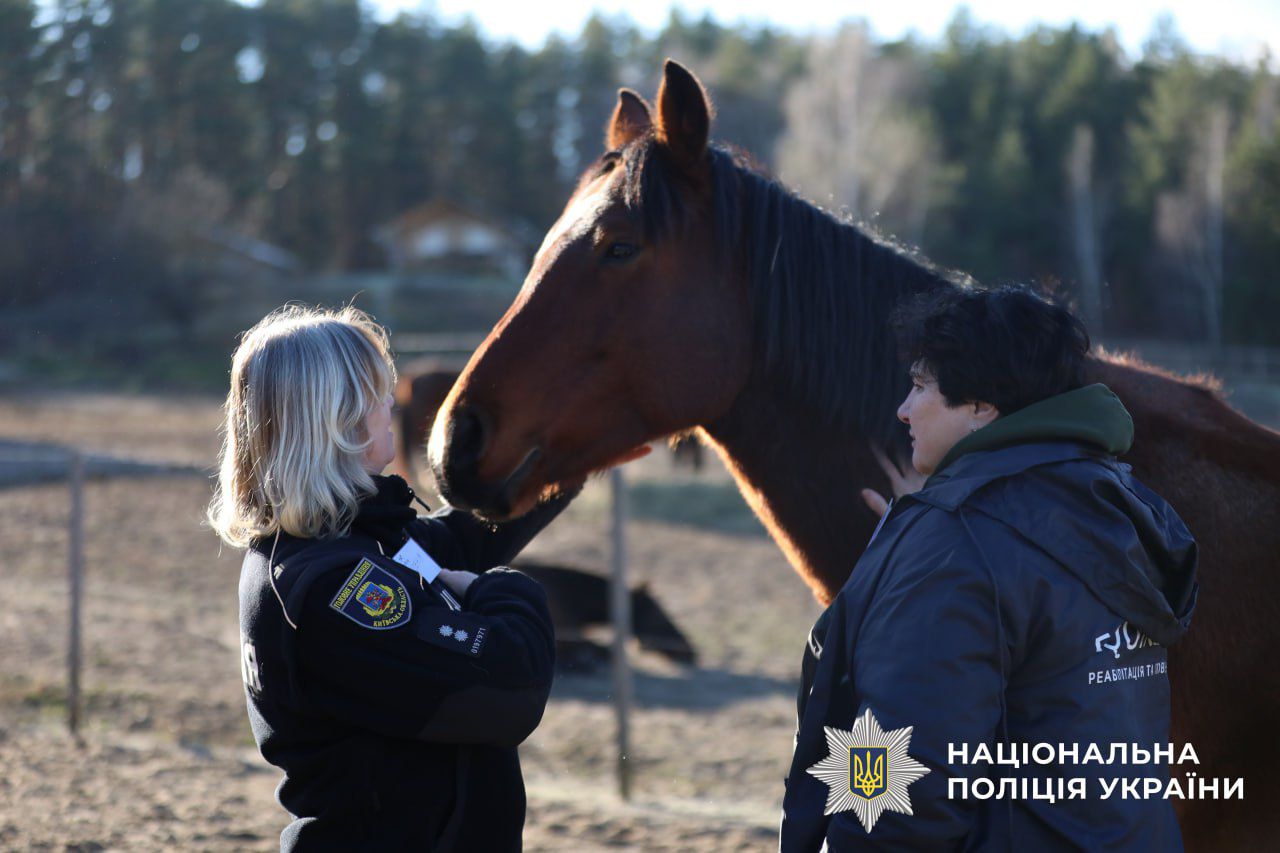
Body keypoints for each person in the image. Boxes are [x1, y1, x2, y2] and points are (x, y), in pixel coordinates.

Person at [780, 285, 1198, 851]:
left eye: (921, 385)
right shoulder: (1116, 509)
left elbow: (901, 767)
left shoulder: (957, 544)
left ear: (981, 405)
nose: (904, 408)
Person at [209, 305, 579, 851]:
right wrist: (497, 588)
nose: (391, 405)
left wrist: (572, 459)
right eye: (378, 392)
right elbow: (509, 686)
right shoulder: (331, 587)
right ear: (337, 418)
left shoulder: (344, 540)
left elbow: (460, 540)